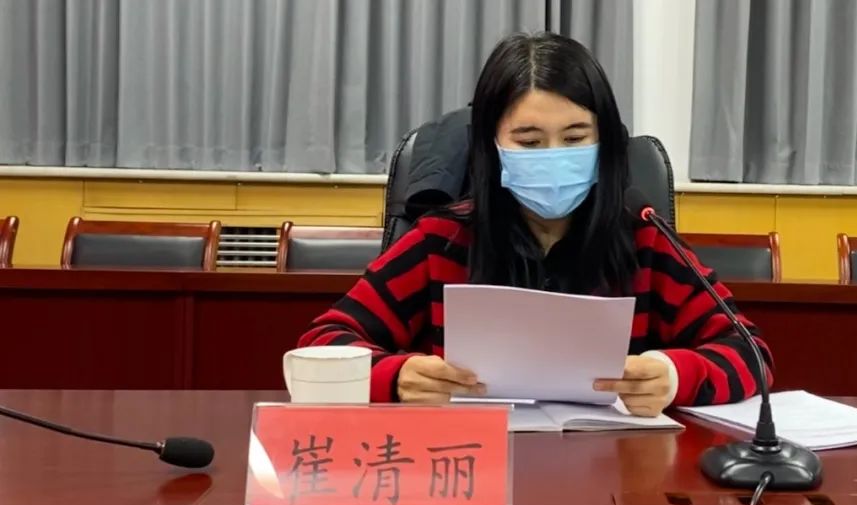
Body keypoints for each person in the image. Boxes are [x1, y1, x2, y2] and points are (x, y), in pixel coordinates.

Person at [298, 32, 773, 416]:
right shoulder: (441, 240)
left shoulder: (646, 239)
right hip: (470, 465)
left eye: (575, 138)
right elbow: (322, 344)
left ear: (605, 142)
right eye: (529, 142)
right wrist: (398, 377)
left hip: (613, 471)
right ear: (491, 147)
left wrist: (673, 375)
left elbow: (750, 352)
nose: (554, 157)